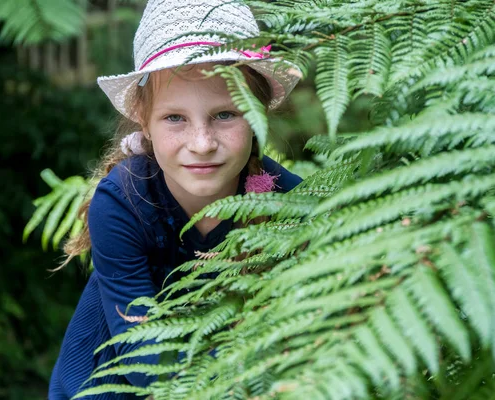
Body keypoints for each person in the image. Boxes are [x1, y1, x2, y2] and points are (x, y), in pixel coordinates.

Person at [48, 0, 303, 398]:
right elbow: (145, 357)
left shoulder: (288, 201)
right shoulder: (122, 204)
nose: (202, 144)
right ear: (143, 119)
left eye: (224, 115)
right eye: (175, 118)